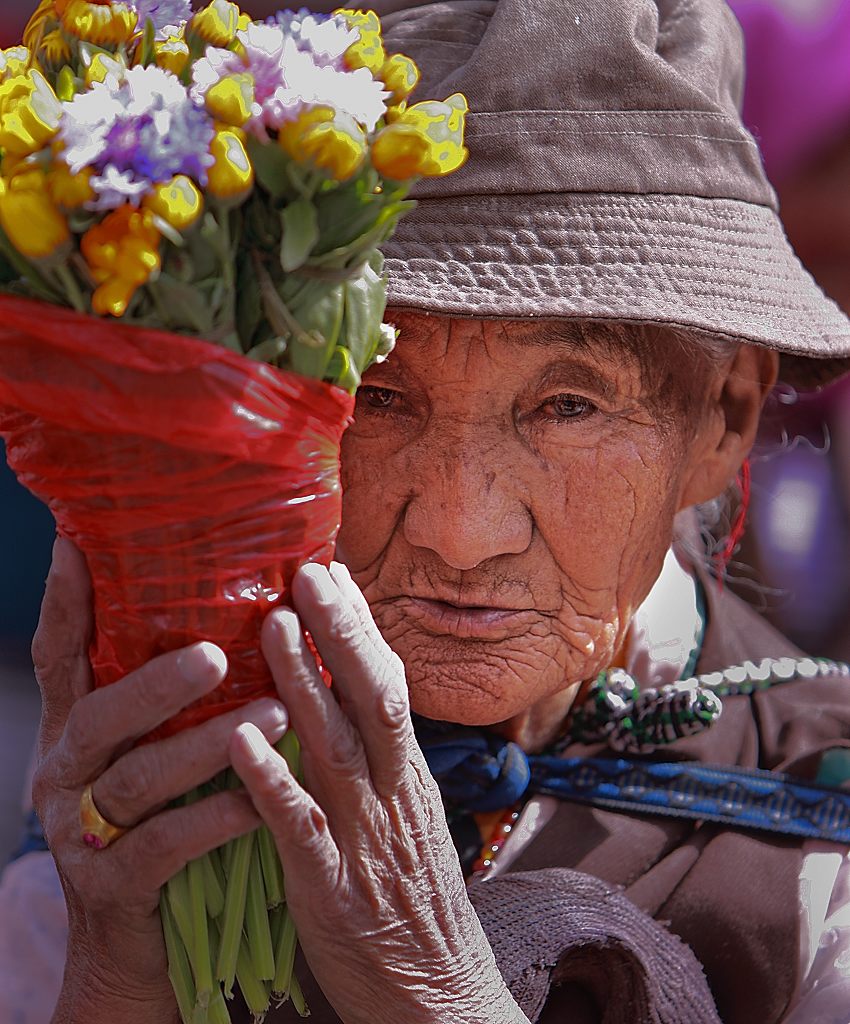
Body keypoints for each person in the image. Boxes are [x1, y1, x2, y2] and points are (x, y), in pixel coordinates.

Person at [3, 0, 850, 1022]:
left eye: (568, 405)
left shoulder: (818, 825)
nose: (458, 529)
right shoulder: (172, 753)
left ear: (722, 418)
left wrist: (436, 994)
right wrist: (111, 977)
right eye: (375, 393)